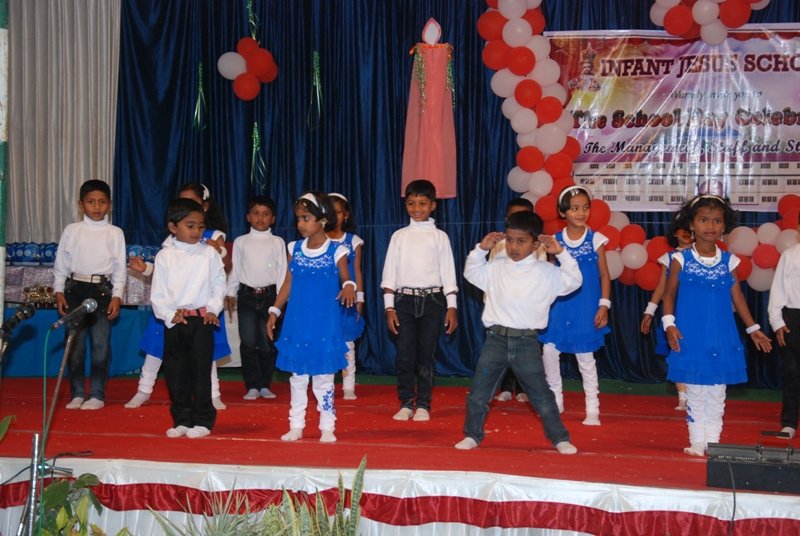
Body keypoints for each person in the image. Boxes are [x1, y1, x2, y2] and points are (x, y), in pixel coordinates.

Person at [455, 211, 581, 455]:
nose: (514, 247)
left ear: (535, 244)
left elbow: (574, 281)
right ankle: (472, 435)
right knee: (479, 393)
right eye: (510, 240)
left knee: (541, 395)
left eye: (521, 241)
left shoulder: (547, 272)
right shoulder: (494, 268)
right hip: (495, 340)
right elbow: (471, 272)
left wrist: (561, 253)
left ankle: (560, 438)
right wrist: (481, 249)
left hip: (526, 342)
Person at [662, 194, 771, 456]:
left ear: (724, 225)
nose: (710, 226)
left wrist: (753, 328)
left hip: (721, 336)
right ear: (691, 224)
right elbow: (669, 294)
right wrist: (669, 324)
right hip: (690, 335)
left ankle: (713, 442)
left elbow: (738, 298)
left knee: (717, 392)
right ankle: (696, 441)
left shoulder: (729, 261)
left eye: (716, 221)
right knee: (695, 390)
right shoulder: (680, 259)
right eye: (703, 220)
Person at [125, 183, 230, 410]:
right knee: (157, 348)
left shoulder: (211, 239)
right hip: (173, 311)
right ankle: (144, 389)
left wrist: (218, 250)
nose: (195, 228)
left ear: (204, 207)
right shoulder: (169, 245)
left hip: (202, 309)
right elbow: (167, 274)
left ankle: (213, 393)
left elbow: (221, 270)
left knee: (205, 354)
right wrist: (146, 269)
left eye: (193, 203)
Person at [267, 192, 356, 443]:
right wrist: (274, 310)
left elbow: (346, 277)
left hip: (324, 325)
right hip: (298, 323)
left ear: (323, 220)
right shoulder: (294, 248)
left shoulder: (338, 250)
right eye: (298, 219)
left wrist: (349, 286)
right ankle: (296, 424)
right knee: (297, 377)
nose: (300, 224)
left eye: (306, 218)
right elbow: (288, 282)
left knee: (324, 378)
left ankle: (327, 426)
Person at [381, 179, 458, 422]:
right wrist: (389, 307)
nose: (417, 208)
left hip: (433, 301)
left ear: (433, 205)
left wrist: (452, 307)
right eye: (411, 203)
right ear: (405, 205)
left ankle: (423, 404)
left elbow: (448, 273)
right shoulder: (399, 236)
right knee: (404, 355)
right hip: (403, 301)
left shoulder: (440, 237)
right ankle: (405, 402)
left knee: (426, 355)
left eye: (423, 203)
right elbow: (389, 274)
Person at [150, 198, 226, 439]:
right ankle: (182, 419)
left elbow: (219, 284)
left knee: (201, 372)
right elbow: (158, 293)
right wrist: (169, 314)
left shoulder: (209, 254)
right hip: (175, 321)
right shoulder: (164, 256)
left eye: (201, 226)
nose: (196, 232)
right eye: (190, 226)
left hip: (201, 321)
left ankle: (203, 420)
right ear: (173, 227)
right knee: (175, 372)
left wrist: (212, 309)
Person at [539, 185, 610, 426]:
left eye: (585, 207)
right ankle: (555, 399)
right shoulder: (555, 240)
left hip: (586, 305)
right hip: (560, 305)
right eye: (574, 208)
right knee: (549, 351)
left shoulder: (596, 239)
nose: (581, 213)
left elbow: (604, 275)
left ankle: (592, 407)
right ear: (563, 212)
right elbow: (551, 272)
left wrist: (604, 305)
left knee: (585, 356)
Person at [53, 179, 126, 410]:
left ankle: (96, 394)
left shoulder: (115, 233)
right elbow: (61, 264)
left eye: (102, 202)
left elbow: (120, 268)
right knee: (74, 345)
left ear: (109, 205)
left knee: (100, 344)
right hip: (74, 289)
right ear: (81, 204)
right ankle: (76, 393)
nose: (97, 207)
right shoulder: (72, 231)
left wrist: (117, 296)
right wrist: (58, 290)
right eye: (91, 202)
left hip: (102, 291)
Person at [225, 196, 286, 400]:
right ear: (248, 217)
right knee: (248, 341)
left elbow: (282, 272)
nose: (261, 218)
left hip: (270, 297)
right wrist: (230, 292)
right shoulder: (241, 241)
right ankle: (252, 385)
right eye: (256, 213)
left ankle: (265, 384)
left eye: (266, 214)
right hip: (246, 296)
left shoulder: (277, 242)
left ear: (273, 218)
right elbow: (235, 269)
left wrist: (280, 301)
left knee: (267, 342)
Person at [640, 214, 693, 411]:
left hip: (697, 310)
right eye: (681, 228)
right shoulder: (668, 258)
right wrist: (649, 312)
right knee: (677, 352)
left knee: (697, 352)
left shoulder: (703, 255)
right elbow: (661, 288)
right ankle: (683, 397)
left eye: (689, 228)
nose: (686, 232)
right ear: (674, 233)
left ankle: (699, 394)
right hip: (675, 311)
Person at [492, 197, 536, 403]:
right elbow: (490, 276)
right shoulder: (498, 245)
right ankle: (506, 386)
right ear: (506, 219)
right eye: (513, 217)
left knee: (524, 348)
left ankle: (522, 387)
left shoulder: (538, 247)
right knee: (502, 347)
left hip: (527, 306)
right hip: (501, 306)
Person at [327, 193, 365, 400]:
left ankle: (348, 385)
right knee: (325, 341)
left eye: (339, 212)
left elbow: (357, 271)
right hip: (324, 300)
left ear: (346, 215)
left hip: (346, 300)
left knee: (347, 344)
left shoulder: (353, 241)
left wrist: (360, 298)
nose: (334, 217)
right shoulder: (317, 241)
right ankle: (326, 383)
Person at [767, 221, 800, 440]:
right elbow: (778, 289)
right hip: (795, 317)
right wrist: (777, 321)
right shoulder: (790, 255)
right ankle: (789, 422)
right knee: (792, 372)